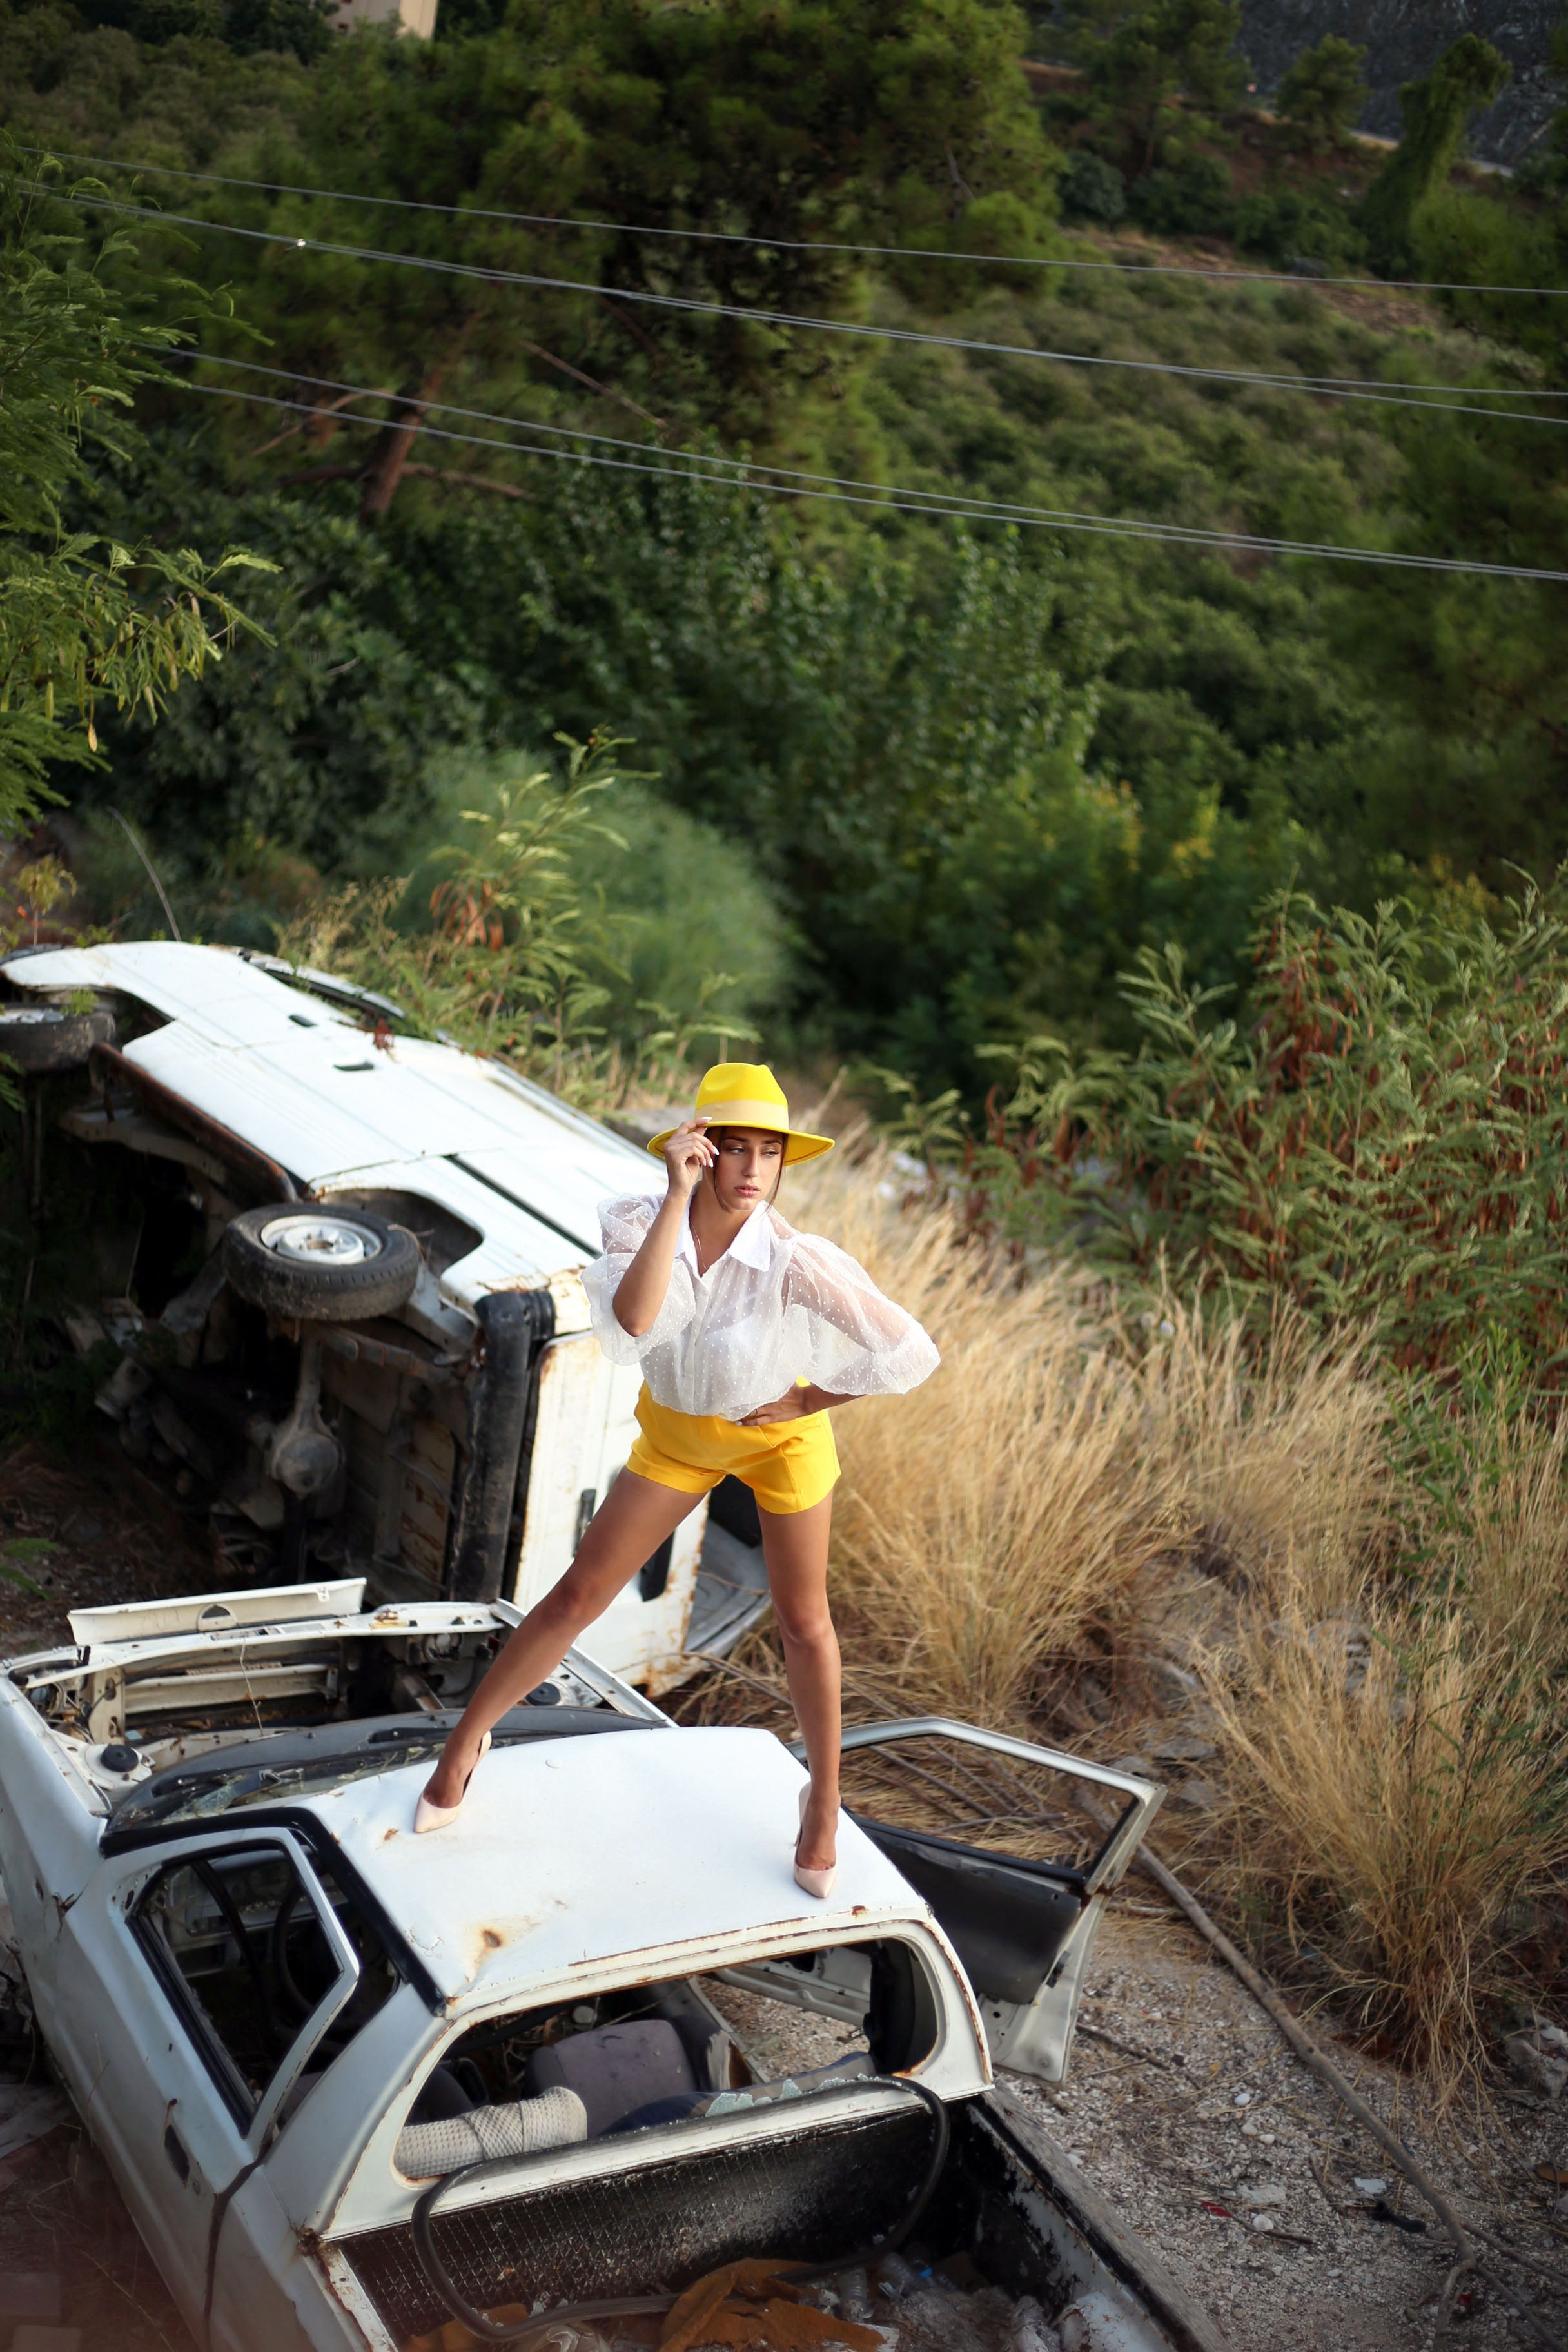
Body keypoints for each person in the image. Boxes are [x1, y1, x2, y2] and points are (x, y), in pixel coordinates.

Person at [414, 1062, 940, 1897]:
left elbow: (905, 1348)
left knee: (806, 1623)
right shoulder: (639, 1221)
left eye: (770, 1154)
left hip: (781, 1442)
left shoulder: (793, 1260)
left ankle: (825, 1799)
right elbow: (635, 1318)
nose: (754, 1173)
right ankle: (466, 1741)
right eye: (735, 1151)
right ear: (699, 1151)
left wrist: (808, 1395)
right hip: (681, 1439)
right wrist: (672, 1198)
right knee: (579, 1596)